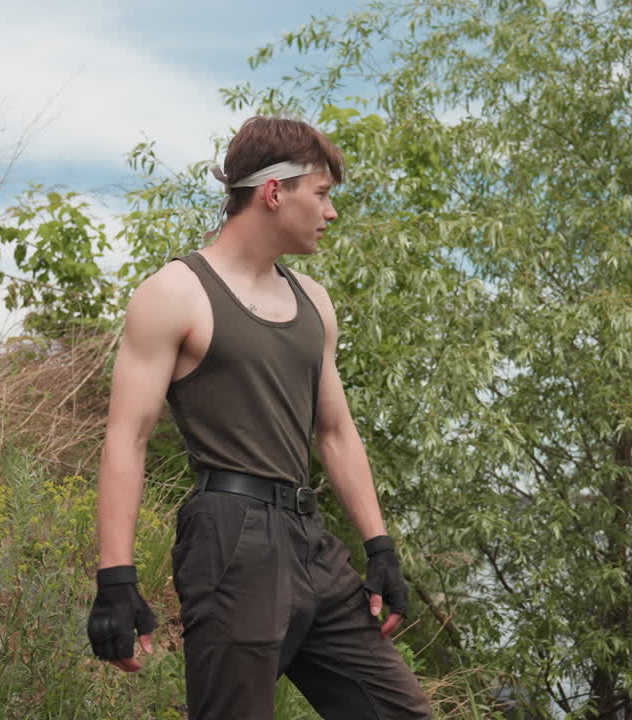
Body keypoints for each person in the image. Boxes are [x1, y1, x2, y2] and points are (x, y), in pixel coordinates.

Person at [87, 116, 432, 719]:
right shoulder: (175, 293)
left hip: (311, 540)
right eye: (321, 194)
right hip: (230, 537)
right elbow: (127, 438)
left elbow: (335, 432)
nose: (330, 213)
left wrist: (380, 548)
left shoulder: (313, 300)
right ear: (275, 192)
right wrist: (115, 577)